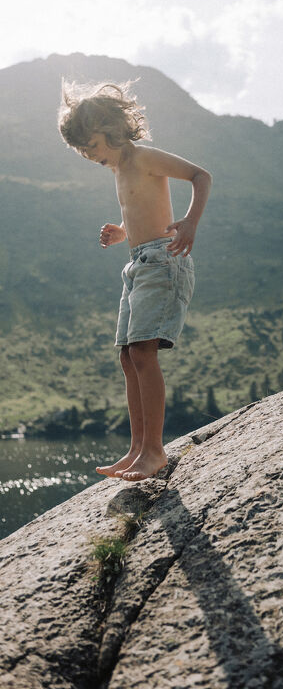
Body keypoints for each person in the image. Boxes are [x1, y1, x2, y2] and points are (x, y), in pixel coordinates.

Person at [58, 81, 212, 480]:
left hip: (164, 259)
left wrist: (190, 223)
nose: (89, 155)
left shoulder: (142, 156)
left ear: (109, 127)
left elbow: (200, 175)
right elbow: (143, 209)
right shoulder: (119, 168)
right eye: (82, 151)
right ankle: (137, 448)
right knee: (128, 357)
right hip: (138, 263)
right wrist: (124, 231)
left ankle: (155, 450)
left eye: (91, 145)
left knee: (144, 354)